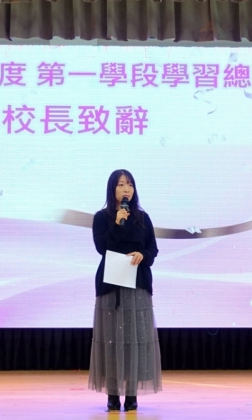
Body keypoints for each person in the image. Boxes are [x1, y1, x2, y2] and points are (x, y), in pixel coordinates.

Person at [88, 169, 162, 412]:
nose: (126, 188)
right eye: (120, 184)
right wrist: (117, 223)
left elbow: (153, 249)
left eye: (129, 184)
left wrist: (143, 255)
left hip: (137, 283)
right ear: (112, 189)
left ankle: (131, 395)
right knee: (111, 340)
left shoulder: (143, 217)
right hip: (111, 285)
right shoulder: (102, 217)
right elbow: (102, 247)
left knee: (134, 341)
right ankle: (112, 395)